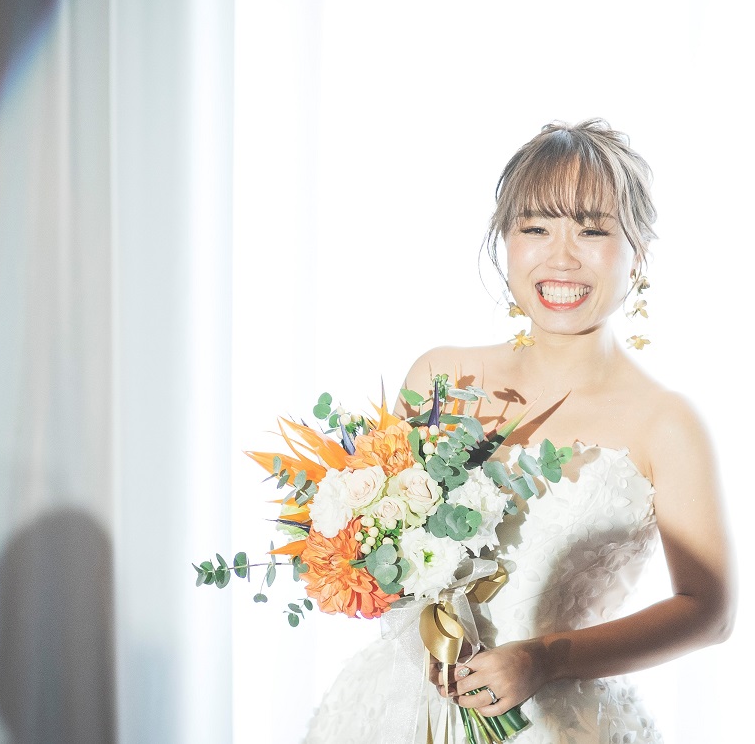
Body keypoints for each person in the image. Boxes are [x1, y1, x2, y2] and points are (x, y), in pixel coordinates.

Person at [303, 119, 736, 743]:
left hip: (552, 720)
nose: (561, 257)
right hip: (399, 706)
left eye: (592, 230)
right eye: (535, 228)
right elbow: (386, 553)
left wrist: (544, 659)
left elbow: (709, 612)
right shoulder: (440, 377)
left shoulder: (666, 422)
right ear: (504, 240)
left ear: (637, 251)